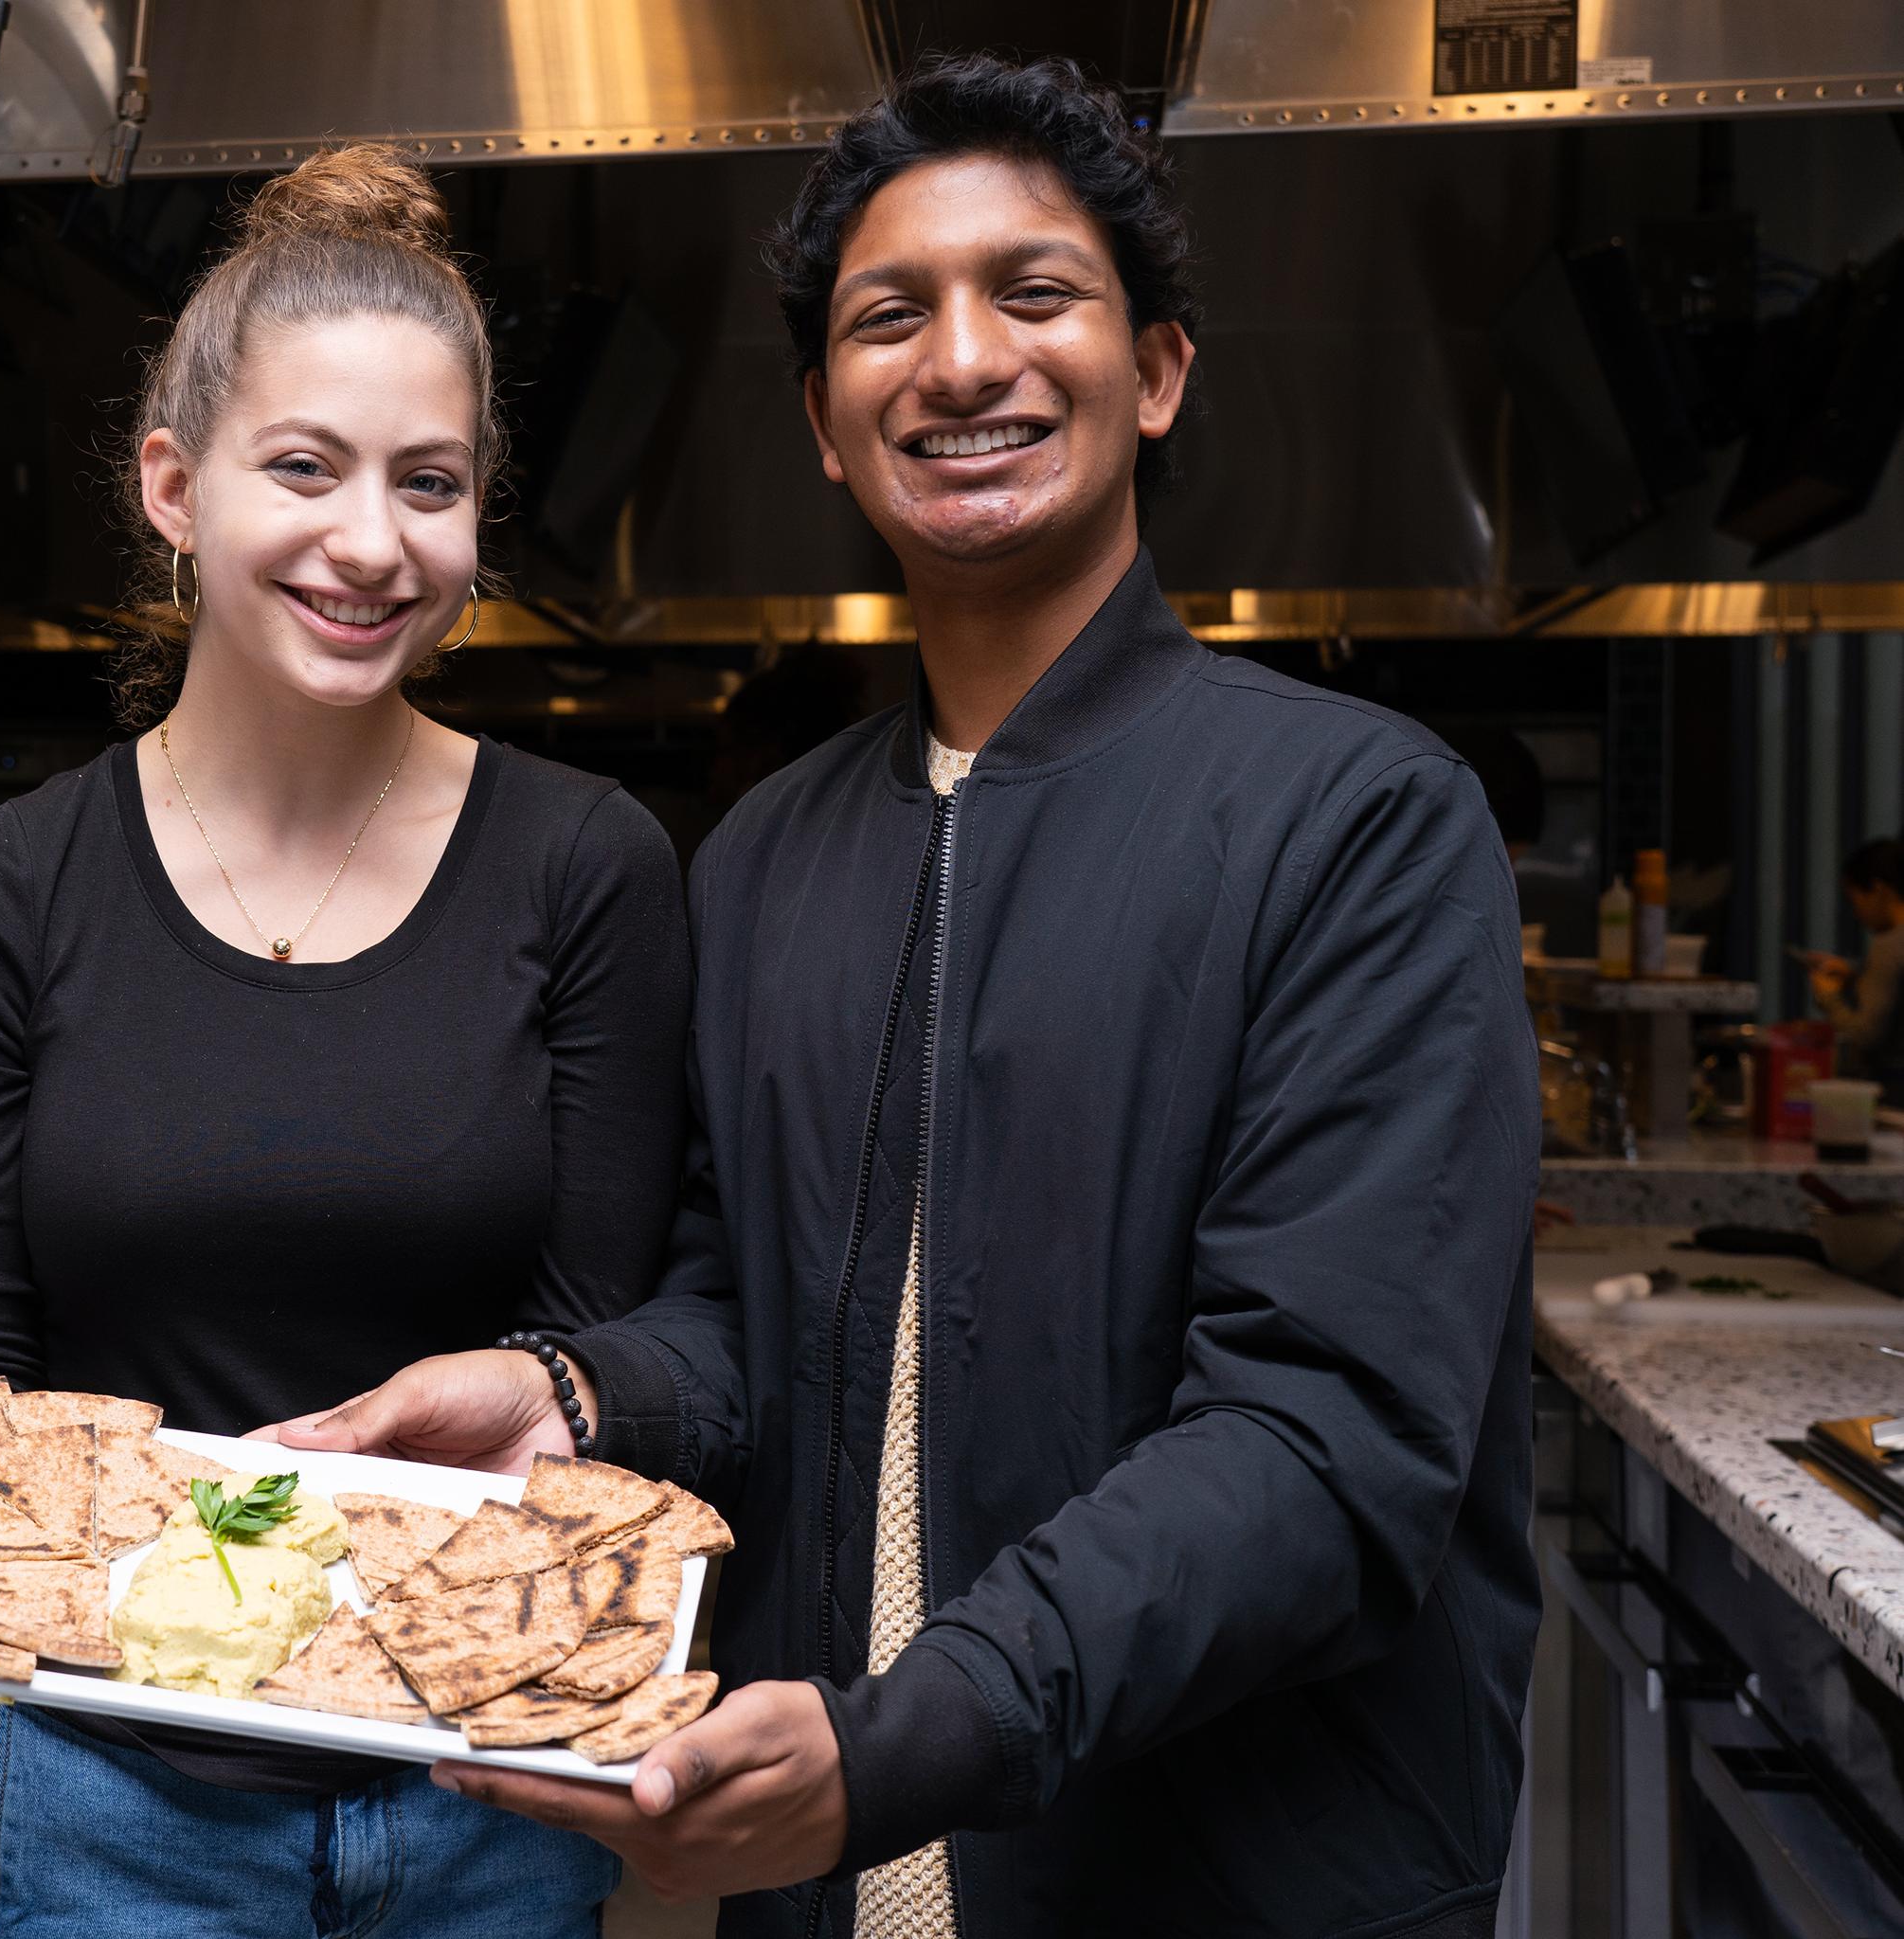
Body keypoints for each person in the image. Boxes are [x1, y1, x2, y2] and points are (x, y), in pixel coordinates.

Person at [281, 54, 1540, 1939]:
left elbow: (1323, 1442)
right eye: (891, 316)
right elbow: (745, 1308)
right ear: (821, 416)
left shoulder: (1355, 823)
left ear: (1163, 370)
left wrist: (912, 1737)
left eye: (1033, 295)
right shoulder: (770, 856)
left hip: (1222, 1884)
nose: (961, 362)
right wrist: (565, 1390)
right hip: (836, 1886)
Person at [0, 145, 691, 1938]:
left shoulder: (587, 866)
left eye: (427, 484)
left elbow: (620, 1337)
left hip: (483, 1784)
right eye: (304, 467)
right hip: (89, 1790)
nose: (373, 542)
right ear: (173, 485)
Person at [1810, 836, 1904, 1096]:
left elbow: (1865, 1036)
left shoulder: (1889, 946)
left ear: (1878, 890)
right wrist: (1856, 976)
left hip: (1891, 1092)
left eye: (1855, 899)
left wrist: (1828, 996)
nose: (1856, 912)